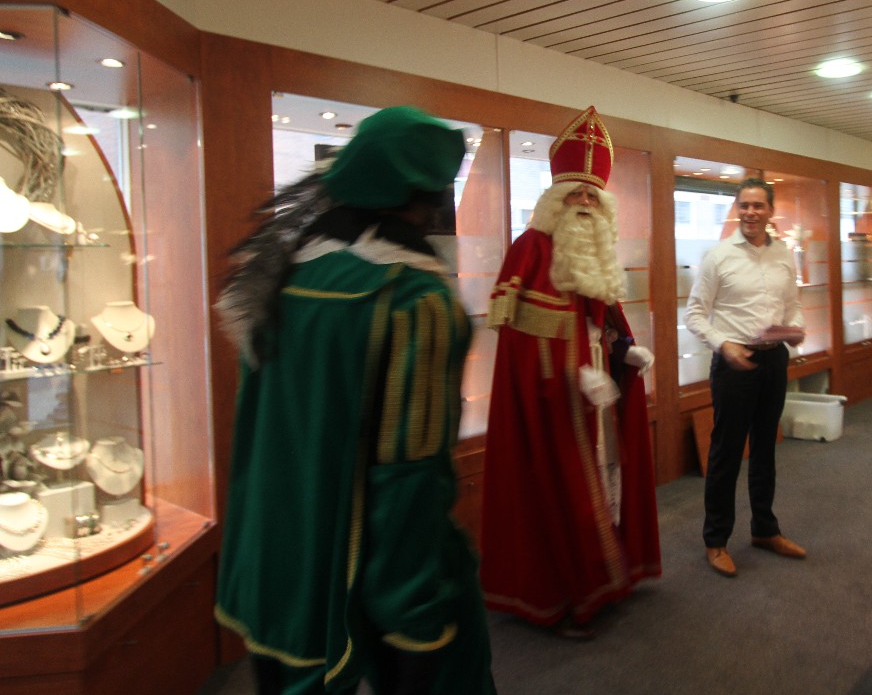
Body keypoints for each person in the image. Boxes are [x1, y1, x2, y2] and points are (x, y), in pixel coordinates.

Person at [213, 106, 495, 695]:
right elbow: (409, 475)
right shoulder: (414, 300)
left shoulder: (275, 274)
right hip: (362, 562)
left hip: (271, 554)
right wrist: (414, 614)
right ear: (426, 197)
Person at [479, 106, 660, 639]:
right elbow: (521, 340)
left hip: (597, 393)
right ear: (554, 199)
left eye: (592, 196)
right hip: (553, 400)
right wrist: (571, 373)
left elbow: (603, 316)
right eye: (574, 194)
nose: (584, 203)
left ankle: (607, 575)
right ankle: (565, 596)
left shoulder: (597, 250)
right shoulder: (530, 248)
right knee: (562, 493)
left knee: (605, 481)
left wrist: (624, 352)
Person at [685, 177, 806, 578]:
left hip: (774, 360)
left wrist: (796, 330)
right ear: (737, 209)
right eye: (744, 206)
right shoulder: (719, 256)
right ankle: (716, 540)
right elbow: (695, 314)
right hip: (733, 363)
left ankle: (764, 530)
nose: (751, 213)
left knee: (766, 449)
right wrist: (724, 345)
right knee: (727, 452)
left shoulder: (784, 254)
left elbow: (792, 305)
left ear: (771, 211)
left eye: (758, 206)